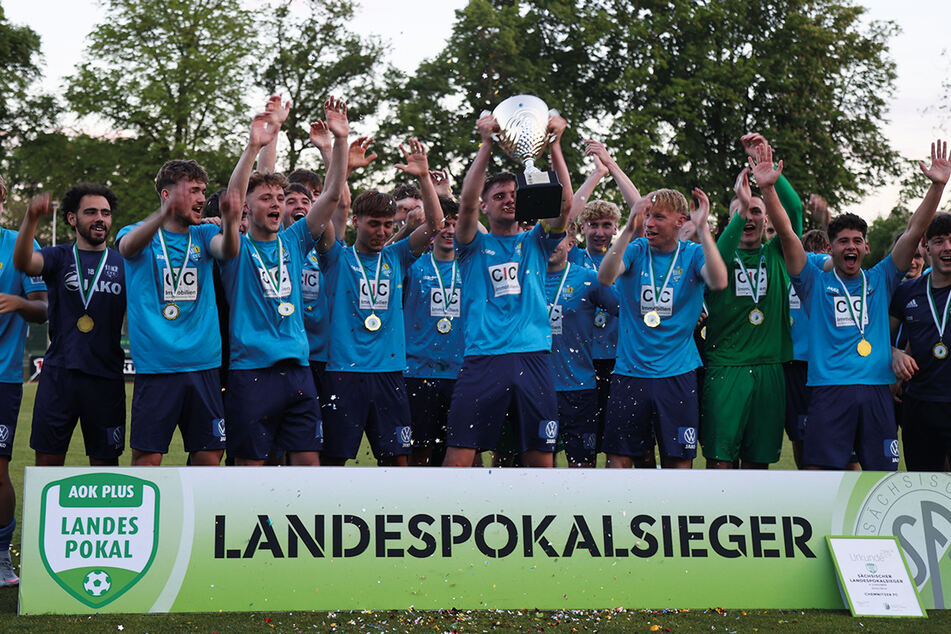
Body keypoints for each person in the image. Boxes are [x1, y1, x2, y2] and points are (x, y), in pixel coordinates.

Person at [761, 139, 949, 470]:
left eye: (857, 241)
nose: (851, 246)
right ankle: (830, 525)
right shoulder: (813, 282)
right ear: (831, 249)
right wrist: (768, 190)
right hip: (830, 390)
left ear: (866, 246)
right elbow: (788, 235)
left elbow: (914, 230)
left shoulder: (882, 278)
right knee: (822, 473)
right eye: (843, 241)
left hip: (876, 390)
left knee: (881, 476)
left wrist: (937, 186)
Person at [218, 98, 348, 466]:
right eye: (267, 198)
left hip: (298, 371)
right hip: (251, 373)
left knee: (308, 467)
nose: (276, 203)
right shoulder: (236, 248)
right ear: (248, 207)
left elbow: (333, 195)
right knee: (250, 469)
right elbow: (232, 196)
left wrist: (340, 141)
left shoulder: (294, 241)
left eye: (280, 198)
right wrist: (254, 145)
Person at [441, 110, 574, 469]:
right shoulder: (471, 244)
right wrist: (486, 145)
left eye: (514, 194)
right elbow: (465, 204)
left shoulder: (536, 242)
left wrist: (555, 146)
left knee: (541, 458)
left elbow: (564, 205)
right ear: (486, 206)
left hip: (533, 356)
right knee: (460, 456)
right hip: (484, 357)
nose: (509, 200)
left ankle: (541, 521)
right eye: (498, 195)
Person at [319, 137, 443, 466]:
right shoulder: (336, 259)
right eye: (374, 224)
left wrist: (424, 178)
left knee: (398, 462)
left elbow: (435, 227)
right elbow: (324, 213)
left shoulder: (397, 257)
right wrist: (341, 171)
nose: (381, 231)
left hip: (389, 373)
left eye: (388, 225)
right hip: (344, 373)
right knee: (334, 461)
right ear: (356, 221)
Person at [116, 159, 241, 466]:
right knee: (147, 456)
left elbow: (228, 251)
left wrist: (231, 220)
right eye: (193, 191)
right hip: (158, 367)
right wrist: (164, 215)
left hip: (204, 364)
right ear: (166, 194)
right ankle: (146, 515)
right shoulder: (136, 232)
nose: (201, 198)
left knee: (209, 454)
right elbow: (127, 248)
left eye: (203, 191)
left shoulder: (202, 235)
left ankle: (197, 516)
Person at [598, 182, 728, 469]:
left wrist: (704, 229)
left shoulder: (692, 254)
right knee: (618, 459)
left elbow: (719, 281)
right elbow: (605, 277)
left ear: (680, 221)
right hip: (630, 373)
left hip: (677, 375)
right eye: (647, 216)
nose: (649, 223)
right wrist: (628, 229)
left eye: (658, 217)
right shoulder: (635, 249)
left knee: (678, 459)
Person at [700, 133, 804, 470]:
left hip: (770, 367)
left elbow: (795, 211)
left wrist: (770, 177)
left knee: (759, 463)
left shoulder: (776, 254)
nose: (749, 218)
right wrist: (741, 206)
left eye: (756, 211)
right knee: (719, 460)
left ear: (767, 219)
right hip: (726, 367)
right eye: (742, 212)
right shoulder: (718, 256)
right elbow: (720, 252)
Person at [13, 185, 126, 468]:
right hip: (59, 375)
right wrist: (31, 218)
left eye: (106, 213)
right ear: (72, 219)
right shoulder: (59, 257)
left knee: (105, 467)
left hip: (106, 378)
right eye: (90, 212)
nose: (100, 218)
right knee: (47, 464)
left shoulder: (124, 264)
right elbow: (24, 262)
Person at [0, 175, 48, 585]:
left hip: (1, 376)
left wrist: (19, 302)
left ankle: (1, 556)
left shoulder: (17, 244)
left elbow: (42, 308)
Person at [402, 196, 464, 465]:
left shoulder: (470, 266)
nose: (450, 230)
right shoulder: (414, 266)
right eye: (445, 224)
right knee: (420, 451)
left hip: (462, 372)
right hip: (418, 371)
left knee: (461, 450)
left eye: (456, 224)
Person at [890, 212, 951, 470]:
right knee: (923, 485)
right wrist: (893, 353)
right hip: (919, 406)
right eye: (938, 241)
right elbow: (877, 337)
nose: (947, 248)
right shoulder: (907, 291)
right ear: (925, 246)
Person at [785, 228, 833, 468]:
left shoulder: (815, 262)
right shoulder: (791, 270)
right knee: (800, 432)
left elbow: (830, 263)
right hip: (800, 362)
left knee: (811, 434)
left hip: (815, 364)